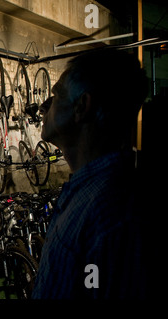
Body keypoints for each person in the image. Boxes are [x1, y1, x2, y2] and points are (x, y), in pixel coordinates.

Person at [32, 49, 154, 299]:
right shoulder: (88, 191)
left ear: (81, 107)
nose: (43, 107)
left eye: (55, 96)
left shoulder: (112, 212)